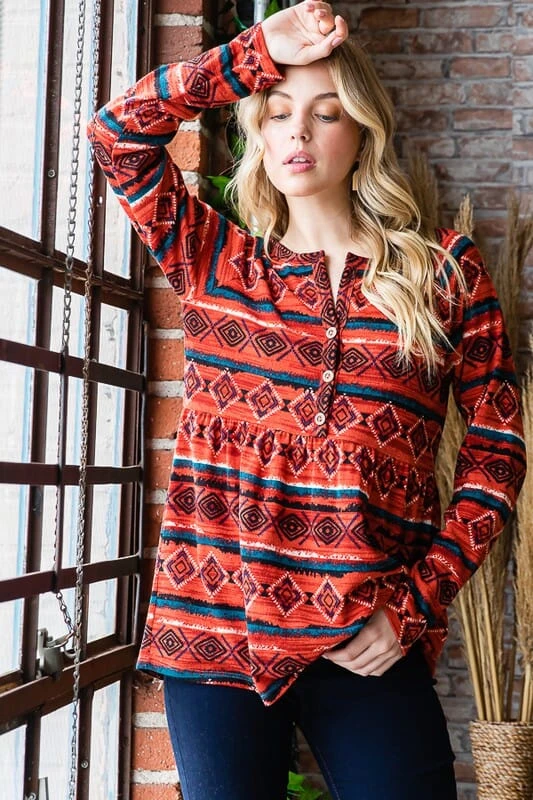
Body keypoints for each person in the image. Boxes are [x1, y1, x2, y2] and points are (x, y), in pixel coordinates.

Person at [88, 2, 527, 798]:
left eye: (326, 114)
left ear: (362, 134)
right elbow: (117, 133)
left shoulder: (443, 275)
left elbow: (496, 455)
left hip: (367, 634)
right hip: (213, 632)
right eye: (279, 112)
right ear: (256, 131)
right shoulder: (213, 260)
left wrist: (414, 603)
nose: (297, 132)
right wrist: (253, 52)